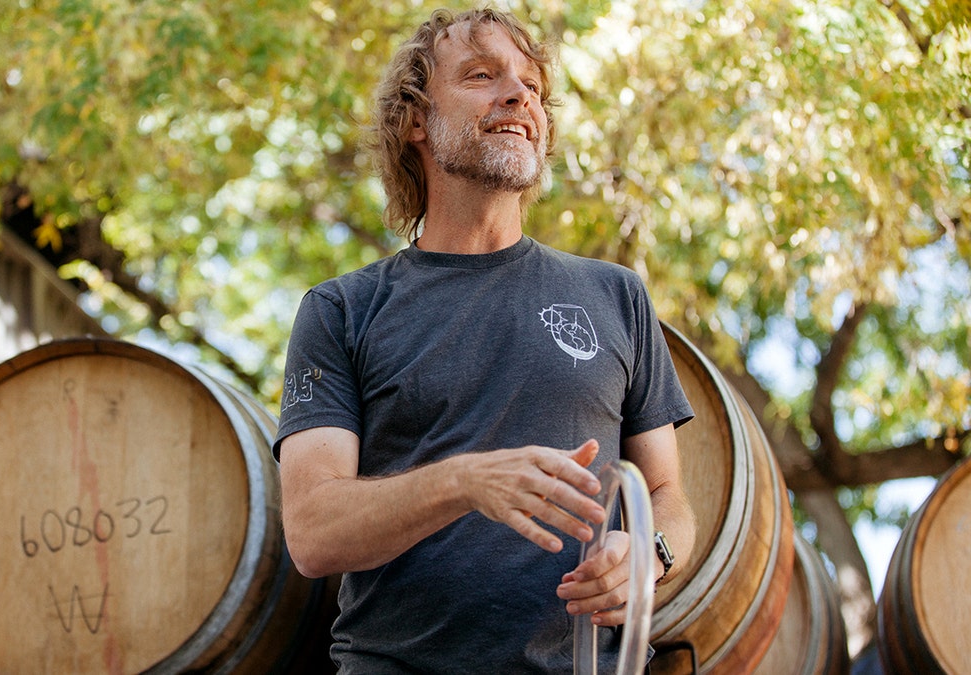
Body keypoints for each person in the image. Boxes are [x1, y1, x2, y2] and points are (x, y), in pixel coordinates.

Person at [273, 7, 697, 673]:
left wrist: (650, 550)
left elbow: (667, 490)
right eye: (481, 75)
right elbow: (313, 531)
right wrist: (464, 480)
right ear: (416, 120)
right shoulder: (343, 310)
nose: (518, 95)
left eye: (531, 85)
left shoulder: (616, 295)